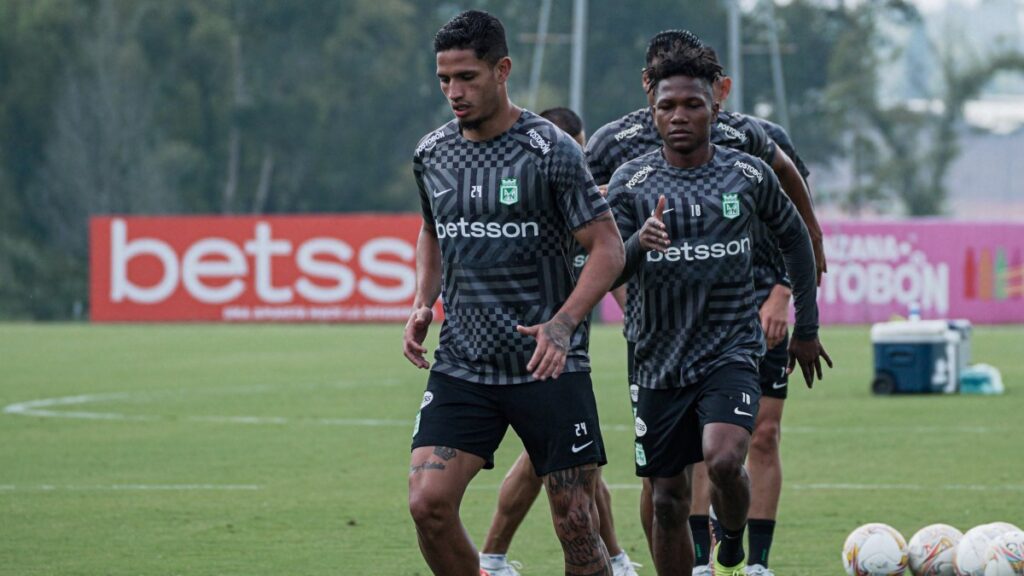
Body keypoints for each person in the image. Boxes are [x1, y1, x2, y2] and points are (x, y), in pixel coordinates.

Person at [585, 30, 827, 575]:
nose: (679, 116)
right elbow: (602, 263)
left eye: (692, 104)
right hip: (657, 355)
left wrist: (805, 327)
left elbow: (797, 238)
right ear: (651, 109)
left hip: (730, 348)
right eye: (667, 106)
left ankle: (734, 541)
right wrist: (636, 246)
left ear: (714, 105)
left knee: (721, 459)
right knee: (668, 497)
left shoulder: (747, 171)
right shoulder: (629, 179)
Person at [404, 10, 625, 576]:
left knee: (578, 527)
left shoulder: (551, 151)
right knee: (428, 505)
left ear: (502, 70)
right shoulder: (432, 153)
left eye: (467, 78)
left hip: (547, 364)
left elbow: (607, 248)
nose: (454, 92)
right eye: (444, 80)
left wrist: (564, 322)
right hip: (464, 363)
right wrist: (422, 302)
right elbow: (432, 229)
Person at [479, 106, 640, 576]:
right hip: (540, 353)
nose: (583, 157)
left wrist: (635, 315)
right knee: (557, 465)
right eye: (576, 146)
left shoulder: (580, 199)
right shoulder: (545, 201)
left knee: (580, 467)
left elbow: (609, 265)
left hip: (570, 351)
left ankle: (612, 558)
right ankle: (492, 557)